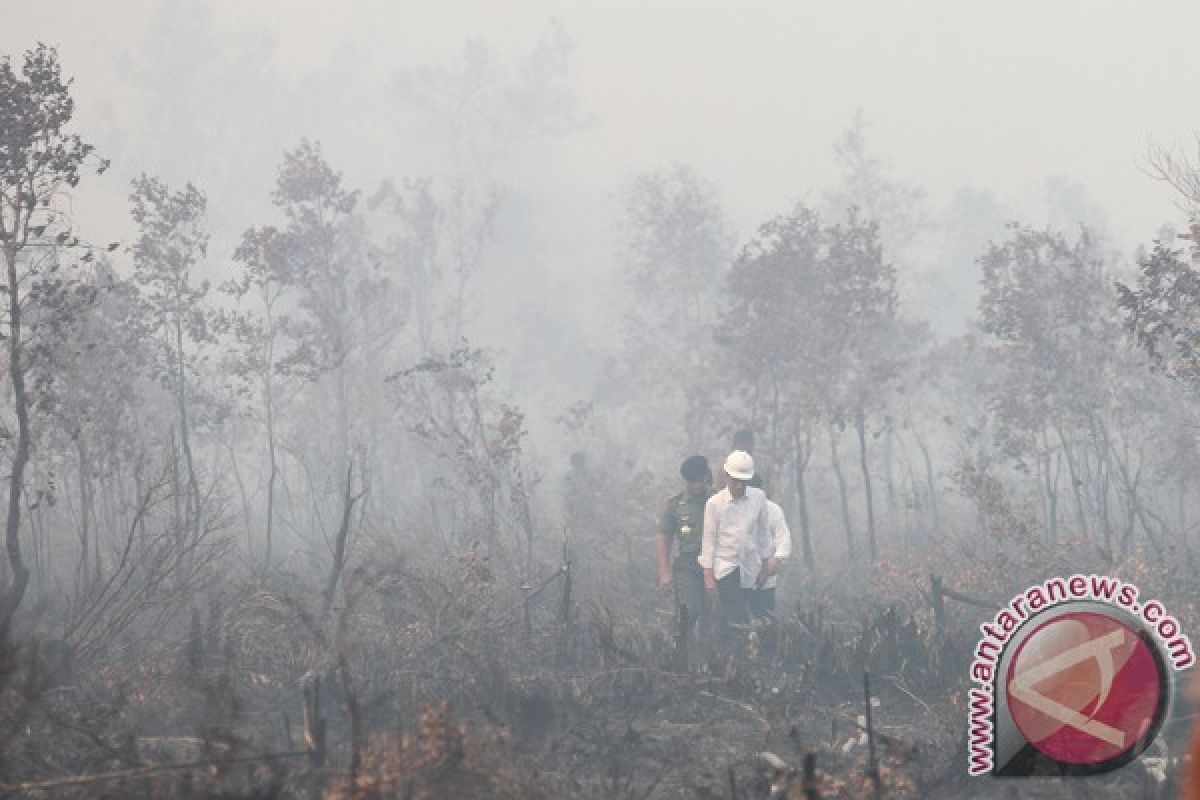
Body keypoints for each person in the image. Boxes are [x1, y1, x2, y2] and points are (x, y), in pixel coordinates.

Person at [699, 450, 771, 631]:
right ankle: (736, 653)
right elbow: (708, 540)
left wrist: (765, 565)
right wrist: (708, 576)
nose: (739, 485)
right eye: (735, 480)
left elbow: (763, 533)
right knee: (736, 616)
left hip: (751, 566)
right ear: (726, 476)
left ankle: (749, 652)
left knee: (759, 613)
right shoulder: (714, 504)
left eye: (743, 481)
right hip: (726, 567)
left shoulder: (759, 498)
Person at [658, 455, 714, 643]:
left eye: (699, 480)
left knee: (713, 617)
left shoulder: (720, 500)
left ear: (706, 477)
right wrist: (664, 572)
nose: (695, 485)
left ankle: (709, 663)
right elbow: (664, 537)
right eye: (691, 481)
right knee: (689, 610)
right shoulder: (676, 504)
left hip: (717, 565)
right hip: (688, 564)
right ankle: (674, 649)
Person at [748, 498, 792, 619]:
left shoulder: (773, 510)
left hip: (766, 577)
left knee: (765, 617)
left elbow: (783, 539)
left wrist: (776, 560)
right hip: (737, 577)